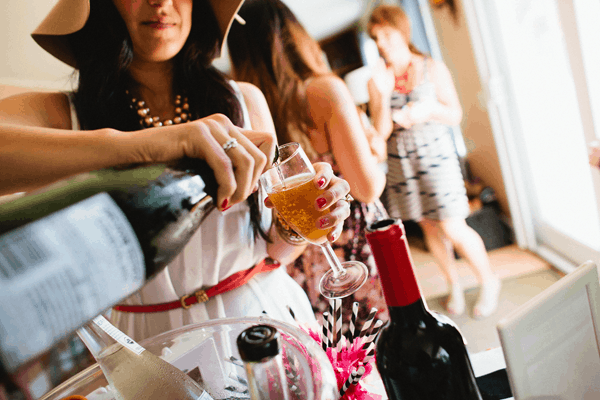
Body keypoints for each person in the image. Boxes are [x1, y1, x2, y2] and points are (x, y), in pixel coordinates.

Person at [0, 0, 354, 341]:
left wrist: (300, 224)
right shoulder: (64, 115)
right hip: (154, 346)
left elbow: (273, 249)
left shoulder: (245, 100)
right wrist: (145, 145)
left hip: (263, 317)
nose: (161, 1)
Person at [227, 0, 394, 326]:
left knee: (344, 359)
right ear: (293, 35)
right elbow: (367, 187)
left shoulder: (251, 114)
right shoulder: (324, 91)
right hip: (352, 246)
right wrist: (378, 142)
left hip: (301, 269)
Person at [367, 4, 501, 318]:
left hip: (437, 159)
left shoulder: (431, 68)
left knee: (453, 225)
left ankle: (489, 280)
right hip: (402, 163)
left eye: (386, 34)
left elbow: (454, 114)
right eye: (376, 38)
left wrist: (428, 110)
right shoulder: (379, 80)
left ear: (402, 31)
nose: (382, 43)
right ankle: (452, 283)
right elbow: (380, 131)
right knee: (429, 229)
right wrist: (384, 96)